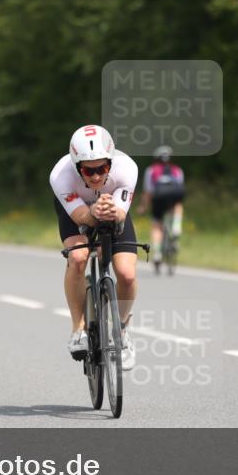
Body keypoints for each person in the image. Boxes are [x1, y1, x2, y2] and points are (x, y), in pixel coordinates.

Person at [50, 125, 139, 369]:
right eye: (89, 171)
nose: (97, 176)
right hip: (76, 211)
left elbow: (120, 215)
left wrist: (114, 213)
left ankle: (121, 332)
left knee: (127, 274)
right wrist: (92, 213)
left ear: (111, 162)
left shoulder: (127, 168)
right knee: (78, 258)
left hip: (111, 210)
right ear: (77, 166)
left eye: (102, 168)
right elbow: (80, 218)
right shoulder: (61, 175)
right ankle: (78, 329)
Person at [138, 146, 185, 266]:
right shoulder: (177, 170)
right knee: (178, 205)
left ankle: (157, 253)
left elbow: (148, 192)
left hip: (158, 198)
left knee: (156, 225)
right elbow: (180, 189)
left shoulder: (151, 170)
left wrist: (143, 206)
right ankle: (176, 226)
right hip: (174, 196)